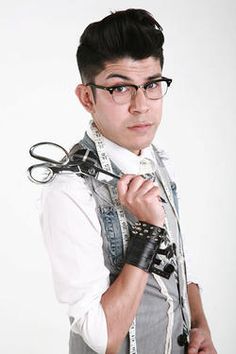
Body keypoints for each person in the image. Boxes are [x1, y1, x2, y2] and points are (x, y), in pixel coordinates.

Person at [40, 8, 217, 354]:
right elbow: (102, 337)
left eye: (151, 85)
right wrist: (148, 231)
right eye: (120, 88)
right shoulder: (69, 191)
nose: (141, 106)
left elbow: (182, 263)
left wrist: (201, 326)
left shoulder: (158, 161)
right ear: (87, 97)